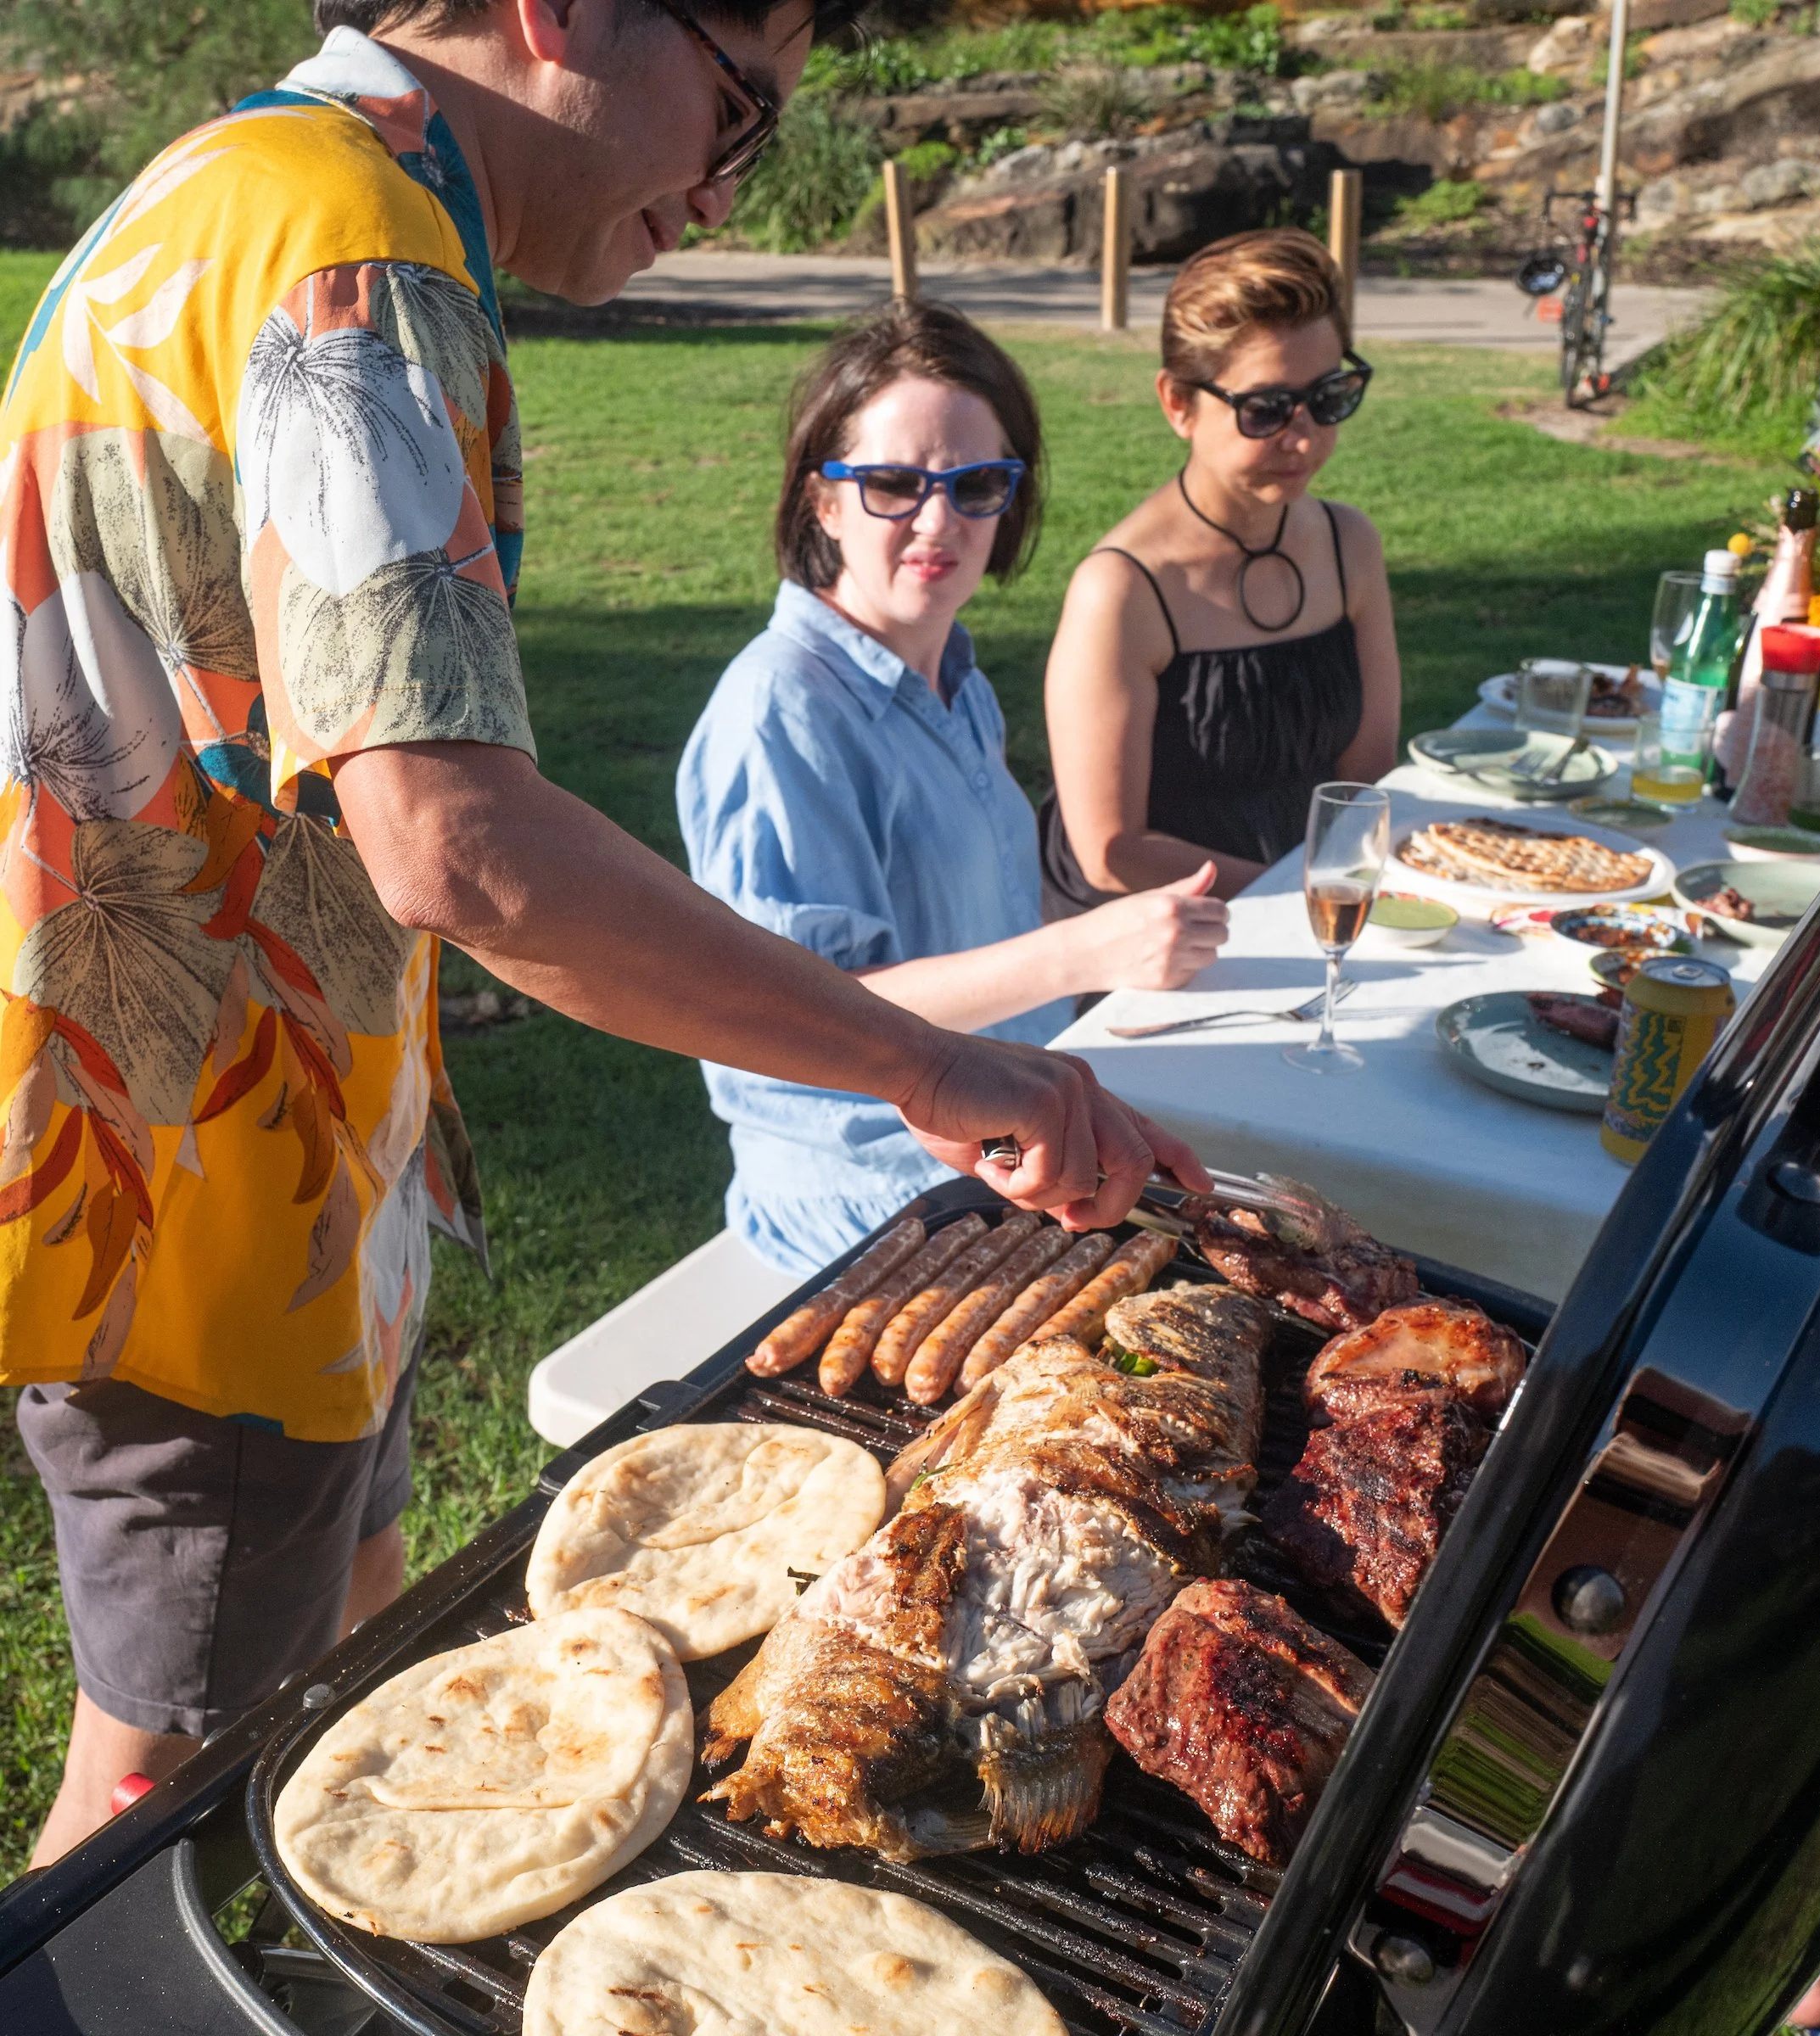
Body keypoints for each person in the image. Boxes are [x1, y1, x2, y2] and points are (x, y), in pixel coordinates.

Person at [0, 0, 1201, 1868]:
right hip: (198, 1211)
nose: (727, 190)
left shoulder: (235, 179)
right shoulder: (350, 244)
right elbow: (457, 846)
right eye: (737, 110)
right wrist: (921, 1063)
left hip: (263, 1174)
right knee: (147, 1844)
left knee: (360, 1702)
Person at [679, 301, 1230, 1273]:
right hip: (875, 1197)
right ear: (823, 502)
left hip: (1017, 1144)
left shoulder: (953, 679)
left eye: (976, 485)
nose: (938, 521)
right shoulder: (781, 709)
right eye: (893, 484)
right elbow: (792, 1012)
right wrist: (1081, 951)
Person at [1038, 228, 1403, 915]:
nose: (1304, 439)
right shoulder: (1124, 589)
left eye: (1329, 397)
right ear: (1178, 402)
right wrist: (1308, 900)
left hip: (1315, 912)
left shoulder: (1349, 545)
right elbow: (1112, 852)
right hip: (1156, 937)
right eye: (1265, 410)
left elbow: (1366, 781)